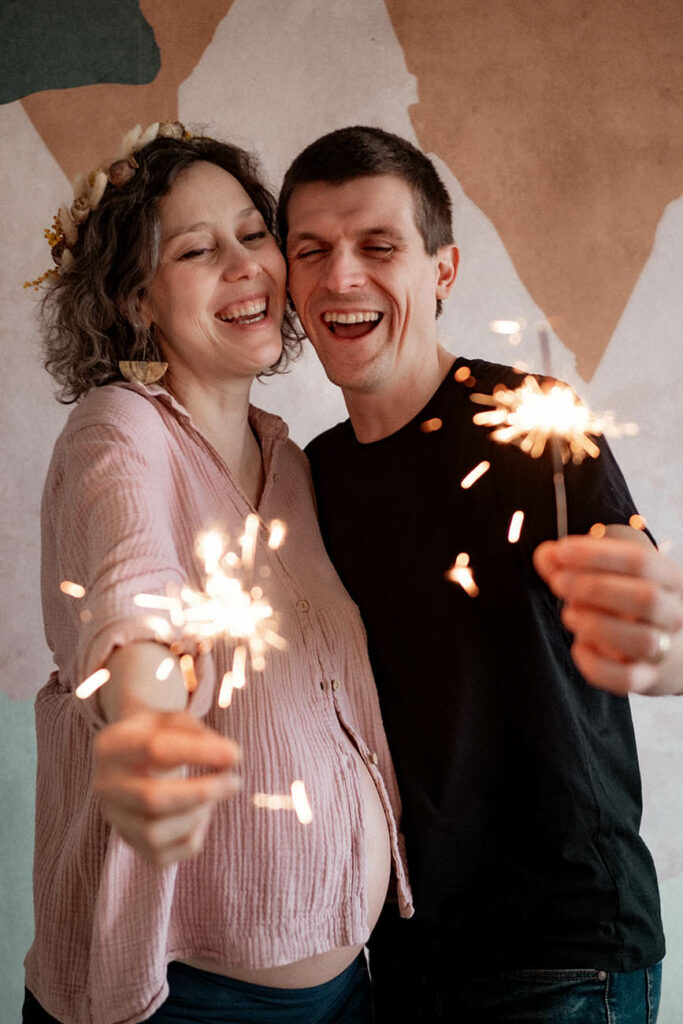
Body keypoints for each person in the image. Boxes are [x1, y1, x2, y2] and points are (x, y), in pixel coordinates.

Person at [277, 125, 682, 1023]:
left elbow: (653, 631)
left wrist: (664, 644)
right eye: (312, 250)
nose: (341, 276)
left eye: (377, 246)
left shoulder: (530, 419)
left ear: (442, 272)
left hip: (562, 954)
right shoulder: (312, 474)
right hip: (399, 957)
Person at [24, 123, 412, 1024]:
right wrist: (150, 733)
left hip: (348, 988)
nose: (246, 265)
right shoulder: (119, 430)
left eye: (253, 234)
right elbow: (133, 599)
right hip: (191, 1003)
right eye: (198, 250)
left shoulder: (293, 462)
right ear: (135, 301)